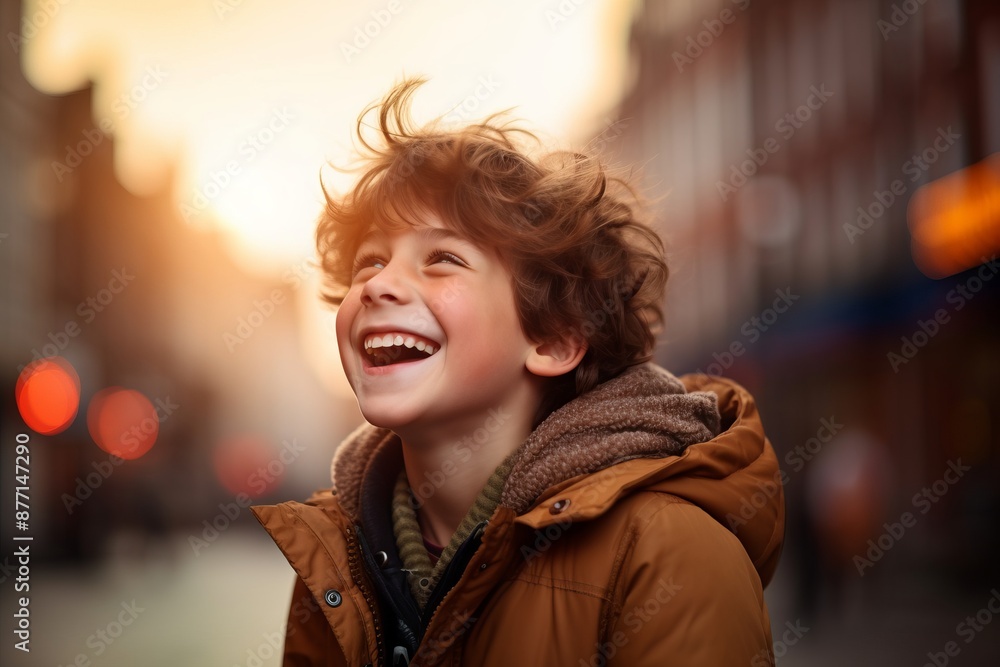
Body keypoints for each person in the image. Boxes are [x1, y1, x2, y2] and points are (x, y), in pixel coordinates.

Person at [252, 78, 784, 666]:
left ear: (553, 339)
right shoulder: (334, 564)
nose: (377, 284)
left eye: (443, 259)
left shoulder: (670, 552)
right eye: (369, 261)